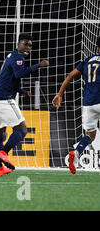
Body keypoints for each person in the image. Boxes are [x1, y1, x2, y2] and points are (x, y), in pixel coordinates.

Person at [0, 33, 49, 176]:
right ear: (18, 44)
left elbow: (7, 78)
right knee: (22, 129)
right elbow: (19, 74)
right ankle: (3, 153)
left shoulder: (11, 56)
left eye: (30, 45)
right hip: (3, 99)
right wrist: (39, 65)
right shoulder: (18, 58)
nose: (28, 47)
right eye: (26, 44)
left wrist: (21, 91)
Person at [52, 36, 100, 174]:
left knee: (90, 135)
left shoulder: (87, 60)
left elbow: (70, 76)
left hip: (89, 104)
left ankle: (77, 153)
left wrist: (60, 94)